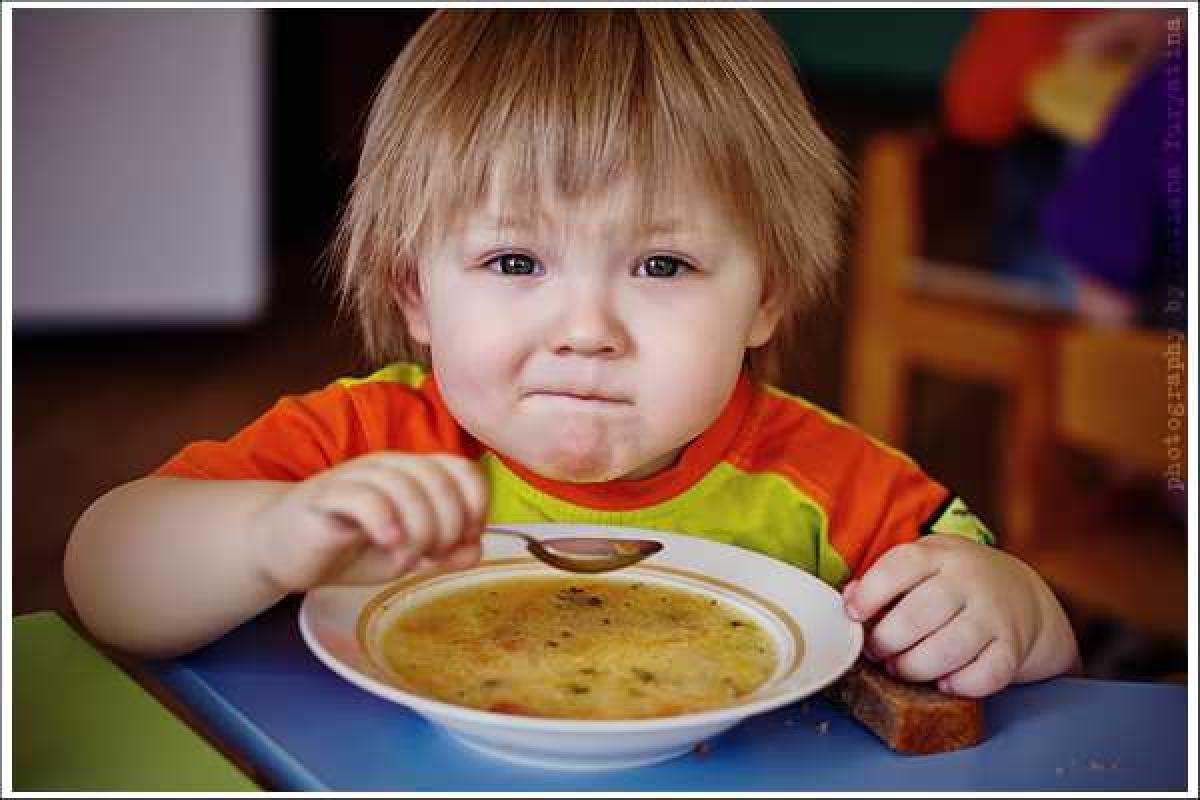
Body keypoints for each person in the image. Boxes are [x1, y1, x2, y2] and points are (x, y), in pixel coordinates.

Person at [65, 10, 1078, 698]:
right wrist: (268, 538)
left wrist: (1010, 611)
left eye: (663, 264)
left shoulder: (826, 486)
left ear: (764, 293)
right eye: (515, 260)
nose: (586, 327)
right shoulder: (365, 447)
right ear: (416, 289)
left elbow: (1035, 650)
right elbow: (104, 574)